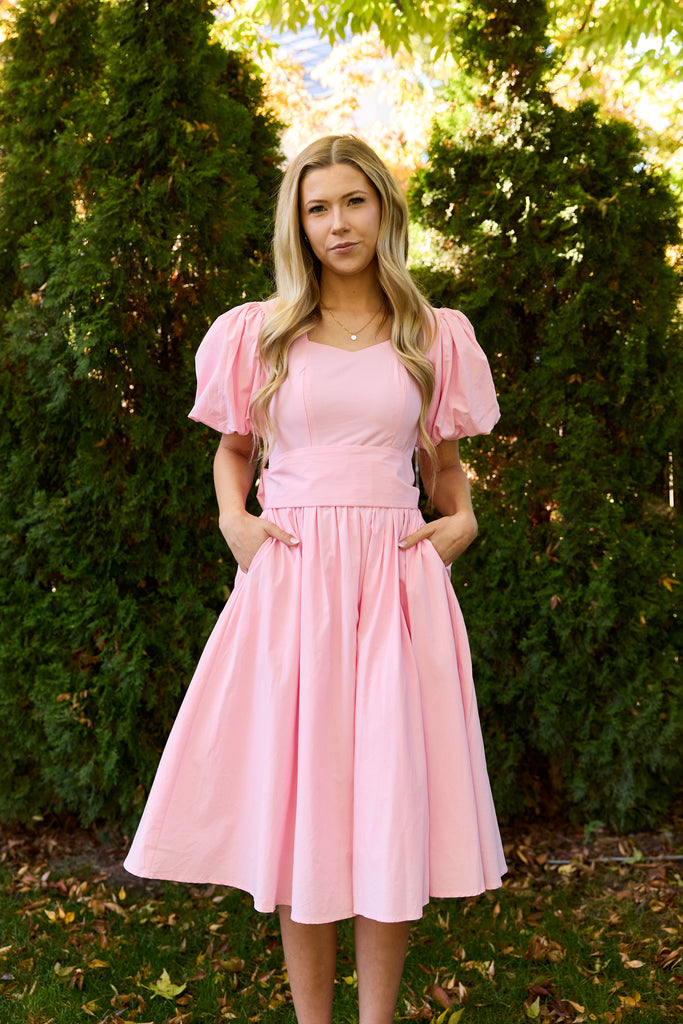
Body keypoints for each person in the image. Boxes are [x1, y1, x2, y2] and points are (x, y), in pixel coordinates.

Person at [124, 135, 506, 1024]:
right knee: (303, 810)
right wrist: (235, 524)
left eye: (354, 202)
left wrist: (463, 517)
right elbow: (232, 451)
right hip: (293, 583)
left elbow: (443, 465)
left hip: (396, 590)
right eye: (317, 207)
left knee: (383, 809)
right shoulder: (257, 332)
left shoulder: (429, 332)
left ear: (384, 210)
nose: (338, 223)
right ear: (296, 222)